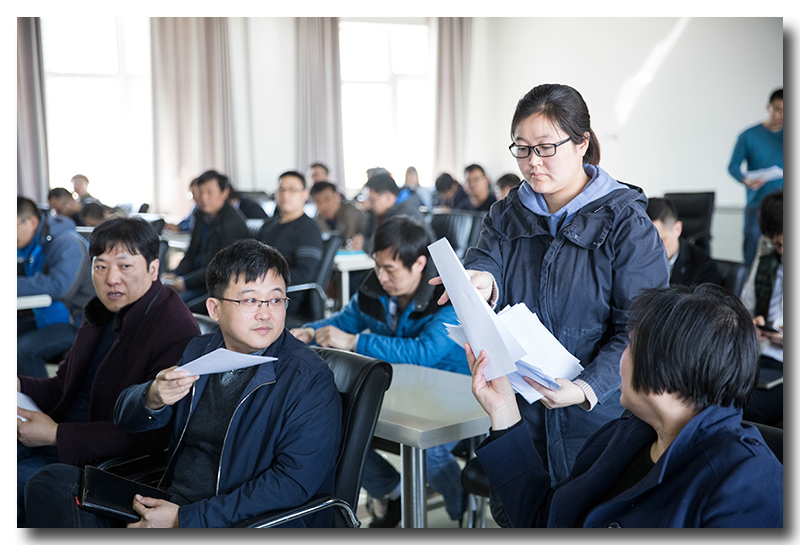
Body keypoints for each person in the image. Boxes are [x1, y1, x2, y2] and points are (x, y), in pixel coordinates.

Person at [446, 83, 669, 525]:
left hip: (600, 420)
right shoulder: (507, 212)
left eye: (546, 147)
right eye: (522, 148)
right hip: (520, 412)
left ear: (582, 142)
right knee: (520, 517)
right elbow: (487, 257)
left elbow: (641, 329)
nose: (533, 162)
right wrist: (482, 277)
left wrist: (584, 388)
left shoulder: (626, 223)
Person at [25, 239, 343, 528]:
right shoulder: (201, 351)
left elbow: (292, 484)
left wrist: (184, 520)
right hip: (172, 499)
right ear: (214, 309)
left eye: (275, 300)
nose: (265, 314)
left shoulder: (306, 377)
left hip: (240, 520)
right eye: (250, 301)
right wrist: (152, 397)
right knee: (51, 483)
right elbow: (126, 419)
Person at [469, 284, 782, 528]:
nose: (620, 359)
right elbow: (544, 521)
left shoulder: (747, 482)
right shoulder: (624, 434)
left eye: (631, 345)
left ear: (667, 368)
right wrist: (504, 410)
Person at [17, 217, 200, 527]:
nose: (111, 278)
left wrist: (56, 434)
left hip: (105, 466)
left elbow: (154, 435)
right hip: (62, 442)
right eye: (100, 266)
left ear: (153, 269)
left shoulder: (174, 328)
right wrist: (17, 384)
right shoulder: (101, 312)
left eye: (125, 266)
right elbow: (63, 387)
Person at [291, 216, 468, 527]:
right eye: (377, 266)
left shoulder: (447, 297)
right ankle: (393, 489)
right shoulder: (374, 291)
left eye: (390, 269)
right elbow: (343, 322)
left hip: (452, 396)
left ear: (419, 263)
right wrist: (310, 330)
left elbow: (423, 352)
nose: (381, 276)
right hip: (403, 389)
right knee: (337, 432)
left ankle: (463, 510)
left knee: (430, 454)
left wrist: (356, 342)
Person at [17, 196, 95, 378]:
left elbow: (60, 287)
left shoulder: (66, 243)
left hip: (78, 321)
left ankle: (39, 396)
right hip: (49, 317)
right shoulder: (35, 244)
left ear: (31, 222)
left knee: (23, 351)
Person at [163, 170, 250, 305]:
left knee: (173, 304)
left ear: (224, 193)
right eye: (200, 192)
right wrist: (175, 274)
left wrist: (185, 282)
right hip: (197, 280)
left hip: (217, 287)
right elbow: (191, 255)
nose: (203, 198)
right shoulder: (200, 216)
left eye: (209, 192)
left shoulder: (233, 224)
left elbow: (221, 268)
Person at [740, 190, 783, 427]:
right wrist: (751, 325)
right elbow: (746, 306)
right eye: (777, 244)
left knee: (745, 409)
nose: (782, 251)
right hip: (759, 354)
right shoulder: (767, 252)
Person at [727, 88, 783, 269]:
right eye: (778, 110)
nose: (782, 115)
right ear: (769, 107)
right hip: (757, 205)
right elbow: (733, 167)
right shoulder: (748, 136)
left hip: (785, 205)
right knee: (751, 252)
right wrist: (745, 180)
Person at [257, 171, 324, 319]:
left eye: (292, 190)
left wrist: (264, 280)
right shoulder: (268, 226)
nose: (285, 195)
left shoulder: (308, 229)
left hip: (286, 298)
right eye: (281, 189)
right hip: (258, 292)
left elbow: (304, 273)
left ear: (305, 194)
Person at [646, 197, 723, 287]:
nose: (651, 249)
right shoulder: (637, 258)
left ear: (677, 229)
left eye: (660, 241)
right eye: (646, 242)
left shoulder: (704, 267)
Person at [361, 172, 426, 254]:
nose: (370, 205)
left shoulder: (408, 214)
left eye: (372, 200)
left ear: (388, 197)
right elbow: (368, 235)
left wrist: (365, 245)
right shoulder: (380, 213)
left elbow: (394, 251)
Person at [310, 180, 367, 250]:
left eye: (327, 199)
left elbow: (349, 241)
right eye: (318, 201)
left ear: (337, 196)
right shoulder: (316, 221)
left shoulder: (352, 213)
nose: (324, 205)